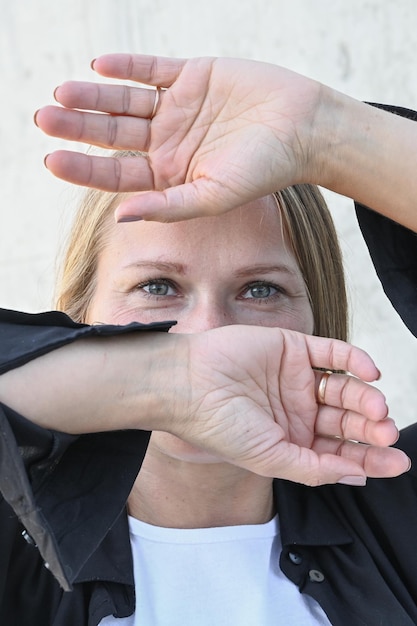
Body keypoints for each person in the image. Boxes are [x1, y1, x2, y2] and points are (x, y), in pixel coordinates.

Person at [0, 53, 415, 625]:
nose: (209, 335)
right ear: (79, 314)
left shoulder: (401, 507)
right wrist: (166, 381)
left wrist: (331, 135)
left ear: (319, 317)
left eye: (262, 291)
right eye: (157, 285)